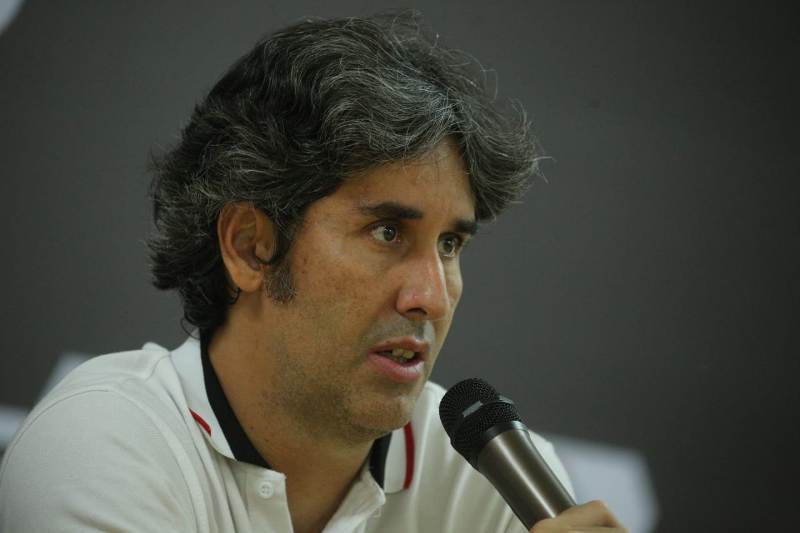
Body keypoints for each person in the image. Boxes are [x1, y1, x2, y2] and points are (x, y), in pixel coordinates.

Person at [0, 13, 626, 533]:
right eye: (387, 232)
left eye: (449, 244)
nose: (431, 298)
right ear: (250, 247)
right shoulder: (103, 440)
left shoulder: (488, 480)